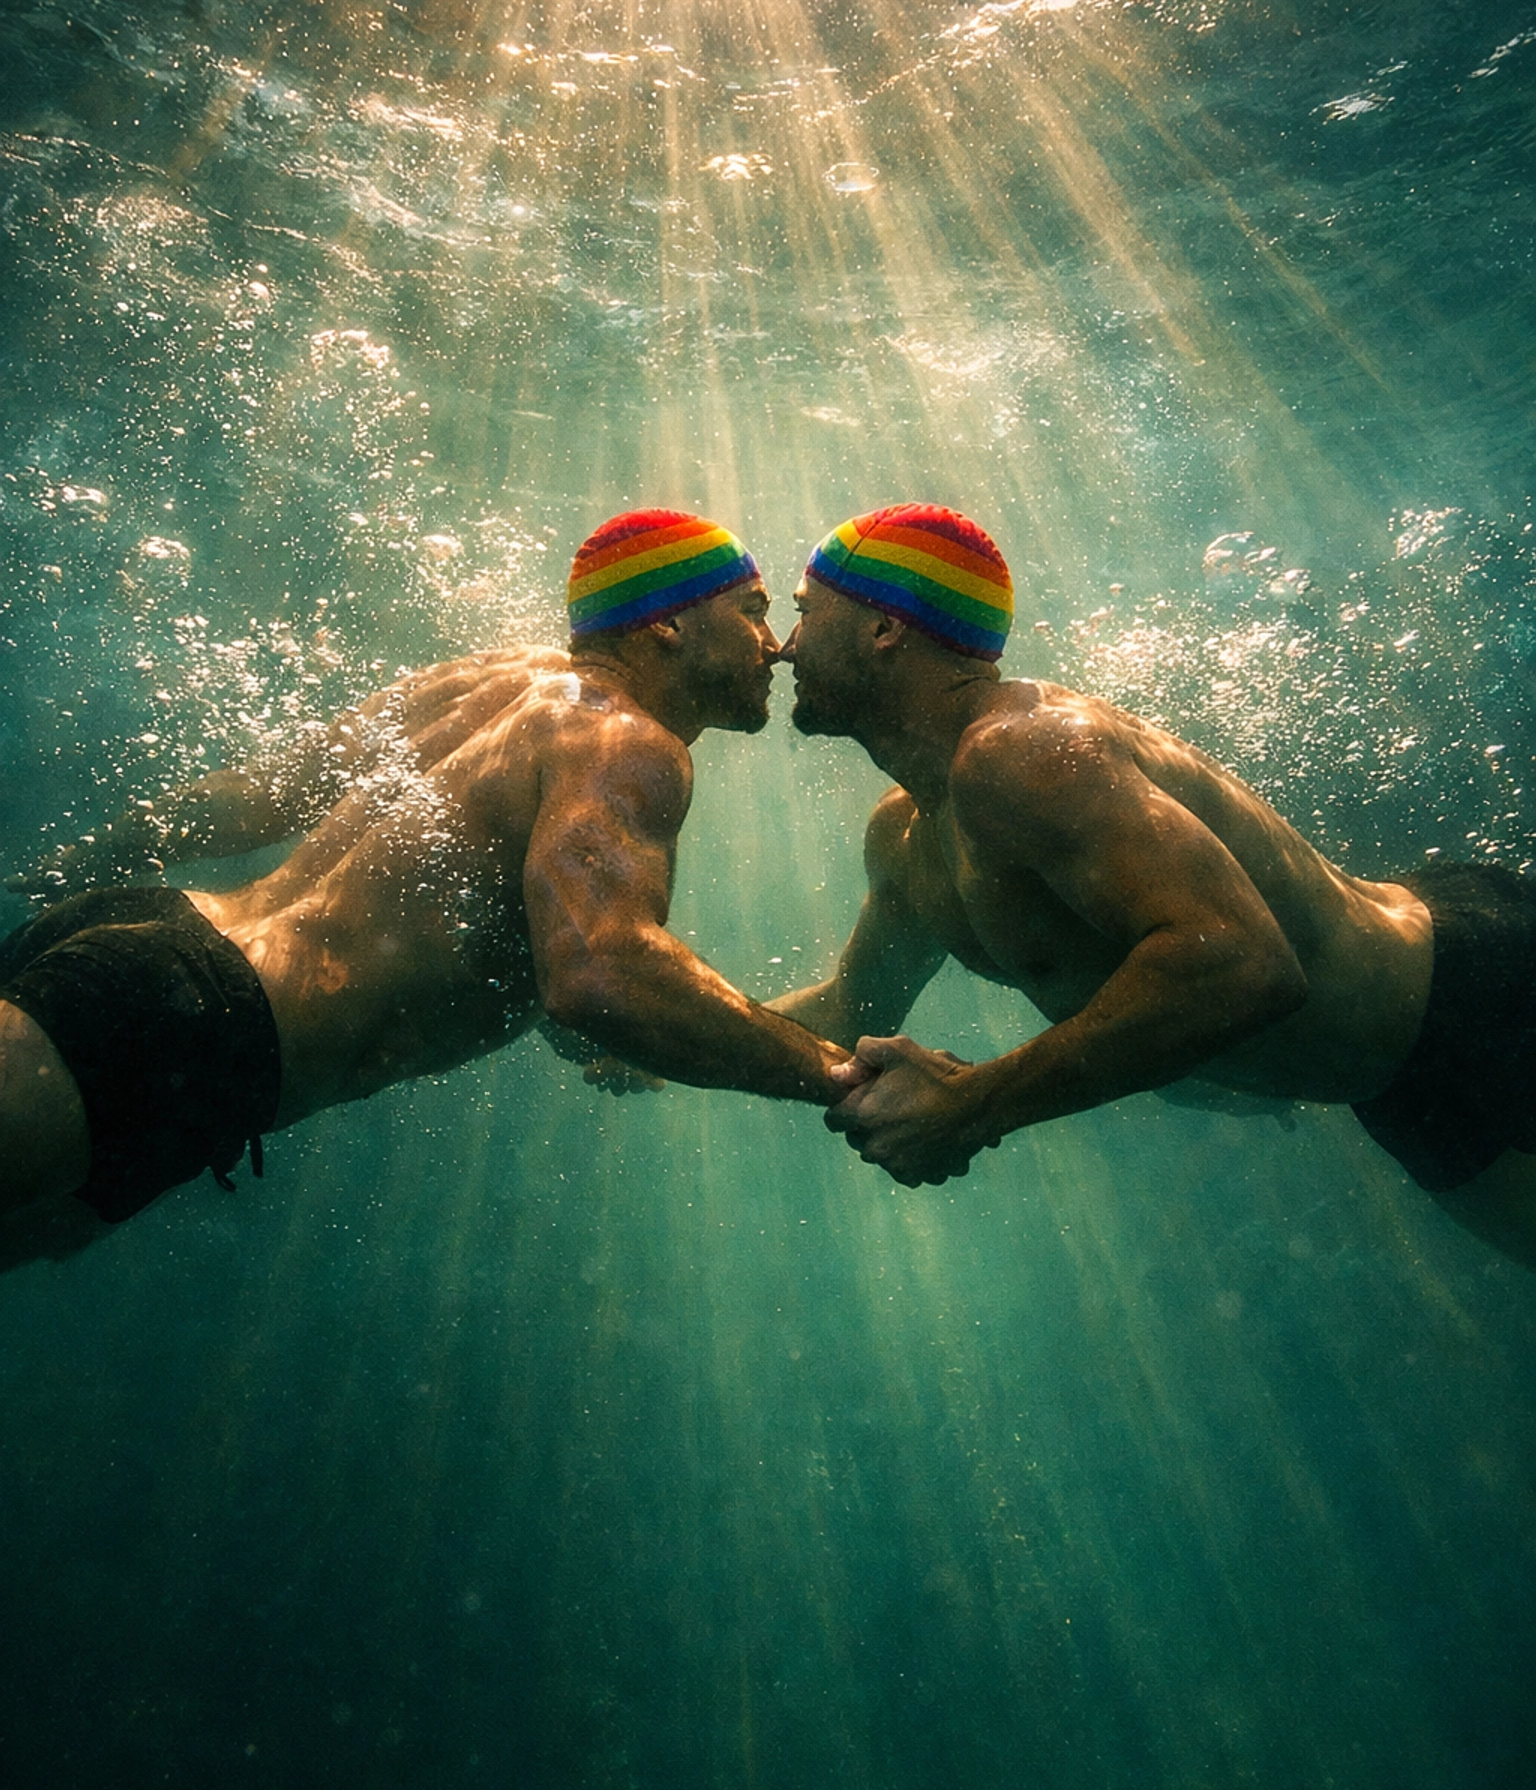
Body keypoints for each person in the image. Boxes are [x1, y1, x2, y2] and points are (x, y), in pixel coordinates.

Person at [0, 509, 849, 1262]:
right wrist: (837, 1076)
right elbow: (599, 975)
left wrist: (76, 867)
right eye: (753, 612)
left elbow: (265, 795)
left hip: (156, 949)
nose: (773, 645)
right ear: (668, 624)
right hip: (192, 1025)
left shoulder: (492, 685)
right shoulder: (627, 742)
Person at [770, 503, 1536, 1264]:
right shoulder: (906, 837)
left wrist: (972, 1106)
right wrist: (654, 1039)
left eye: (805, 612)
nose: (783, 646)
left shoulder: (1018, 751)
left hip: (1481, 990)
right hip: (1395, 1085)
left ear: (883, 629)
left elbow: (1242, 963)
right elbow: (849, 1007)